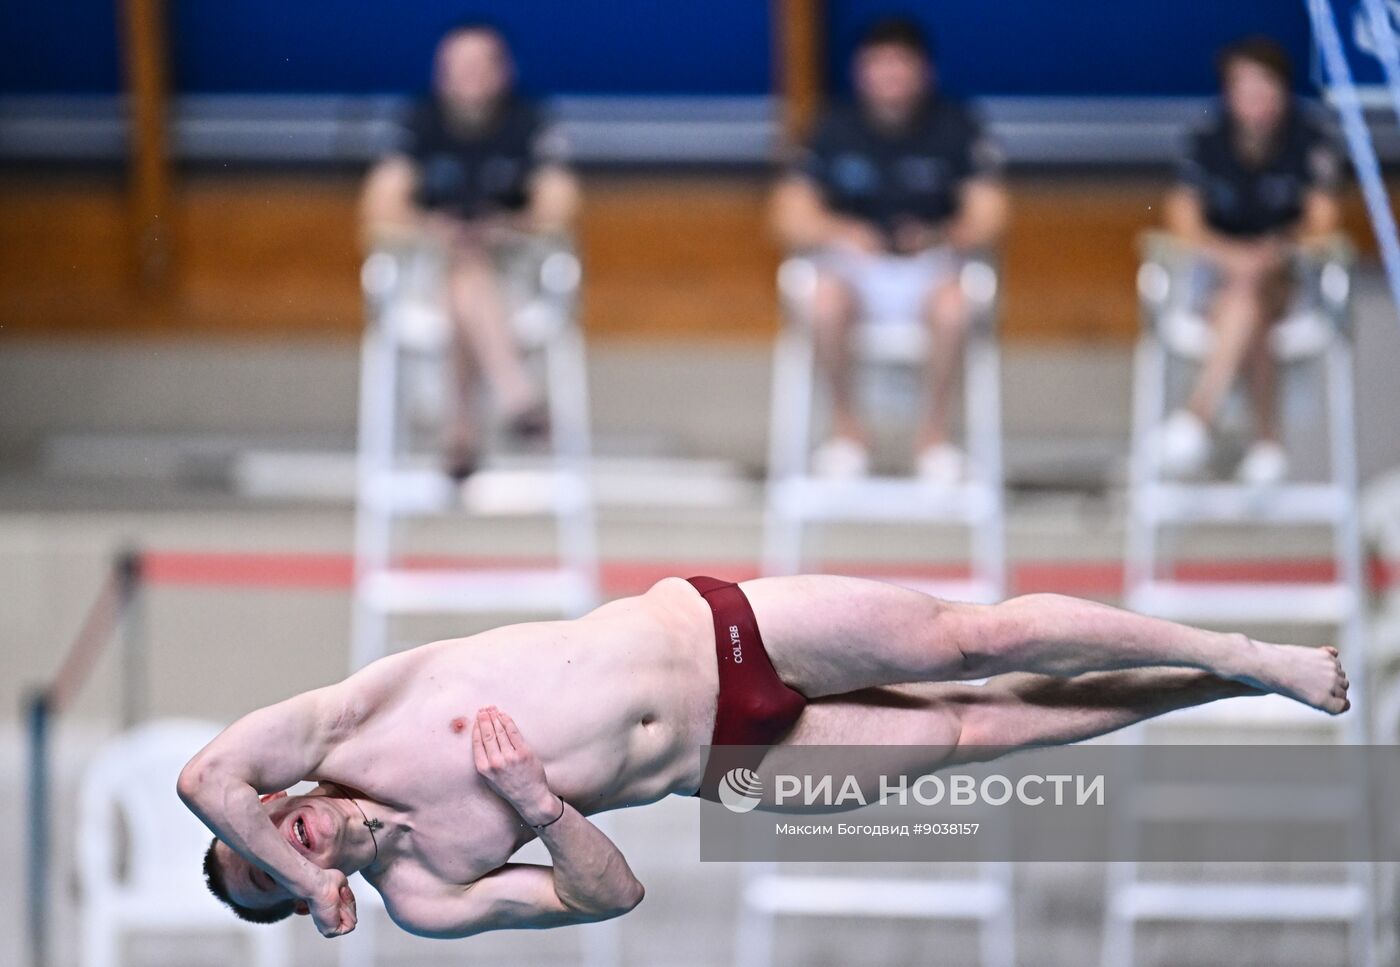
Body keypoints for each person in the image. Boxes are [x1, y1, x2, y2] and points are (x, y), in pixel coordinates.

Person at [180, 574, 1349, 939]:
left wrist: (307, 869)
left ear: (272, 809)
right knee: (989, 726)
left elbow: (202, 783)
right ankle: (1226, 682)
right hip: (725, 765)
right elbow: (610, 895)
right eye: (266, 878)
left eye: (261, 843)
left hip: (707, 631)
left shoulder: (335, 726)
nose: (275, 849)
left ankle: (1237, 644)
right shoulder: (428, 894)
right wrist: (536, 803)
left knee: (972, 640)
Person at [771, 17, 1010, 483]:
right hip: (855, 268)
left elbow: (992, 216)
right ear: (861, 71)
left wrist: (939, 236)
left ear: (925, 71)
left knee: (956, 305)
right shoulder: (832, 126)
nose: (890, 76)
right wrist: (843, 231)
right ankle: (848, 432)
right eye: (879, 64)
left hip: (930, 267)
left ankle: (933, 437)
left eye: (901, 64)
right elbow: (786, 216)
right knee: (820, 300)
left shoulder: (956, 125)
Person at [360, 23, 581, 481]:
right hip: (430, 268)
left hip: (512, 271)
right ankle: (517, 398)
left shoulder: (528, 119)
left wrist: (501, 227)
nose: (469, 76)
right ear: (441, 72)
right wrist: (434, 228)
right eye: (458, 66)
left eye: (481, 65)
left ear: (505, 71)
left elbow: (560, 205)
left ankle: (460, 431)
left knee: (469, 276)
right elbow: (380, 206)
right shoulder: (419, 120)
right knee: (462, 272)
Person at [1159, 36, 1344, 485]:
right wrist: (1230, 255)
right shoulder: (1207, 136)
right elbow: (1179, 215)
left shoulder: (1310, 136)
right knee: (1246, 304)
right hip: (1219, 279)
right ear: (1229, 93)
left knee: (1252, 291)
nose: (1256, 100)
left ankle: (1198, 415)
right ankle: (1266, 442)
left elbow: (1323, 219)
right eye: (1245, 89)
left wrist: (1273, 250)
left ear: (1283, 89)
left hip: (1288, 276)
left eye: (1266, 87)